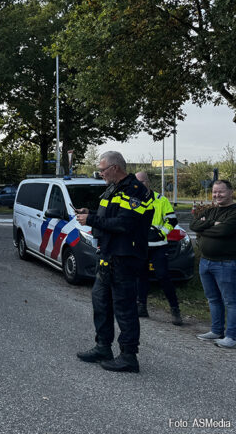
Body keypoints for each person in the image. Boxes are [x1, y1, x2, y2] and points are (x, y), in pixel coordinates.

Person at [74, 151, 153, 372]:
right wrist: (89, 212)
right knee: (100, 302)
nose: (100, 173)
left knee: (124, 308)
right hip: (108, 254)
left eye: (102, 170)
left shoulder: (135, 191)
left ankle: (129, 356)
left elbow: (124, 224)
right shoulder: (113, 188)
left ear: (115, 168)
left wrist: (90, 219)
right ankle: (103, 347)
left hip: (124, 257)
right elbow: (109, 216)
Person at [189, 179, 236, 349]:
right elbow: (193, 225)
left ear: (231, 192)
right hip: (206, 262)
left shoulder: (234, 212)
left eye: (221, 191)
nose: (217, 195)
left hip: (226, 263)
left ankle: (232, 336)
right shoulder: (211, 211)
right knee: (213, 299)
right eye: (215, 192)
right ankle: (216, 331)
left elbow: (224, 230)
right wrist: (210, 223)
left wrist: (204, 228)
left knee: (230, 301)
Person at [135, 171, 182, 325]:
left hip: (159, 246)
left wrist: (161, 233)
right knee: (141, 277)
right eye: (137, 182)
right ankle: (141, 306)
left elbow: (172, 220)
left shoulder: (161, 200)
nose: (140, 185)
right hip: (141, 246)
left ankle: (175, 309)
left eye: (142, 182)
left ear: (148, 182)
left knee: (163, 276)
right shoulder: (132, 200)